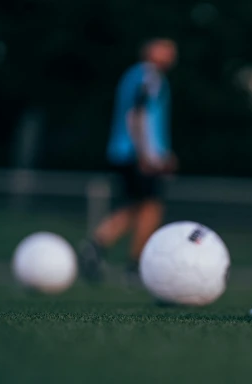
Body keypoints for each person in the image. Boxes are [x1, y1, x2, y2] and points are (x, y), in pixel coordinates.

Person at [79, 38, 178, 282]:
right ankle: (136, 265)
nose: (171, 52)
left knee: (135, 206)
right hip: (137, 154)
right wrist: (148, 155)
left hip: (126, 152)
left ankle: (96, 244)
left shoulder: (135, 75)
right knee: (151, 207)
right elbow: (138, 114)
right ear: (151, 51)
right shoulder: (149, 76)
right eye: (165, 47)